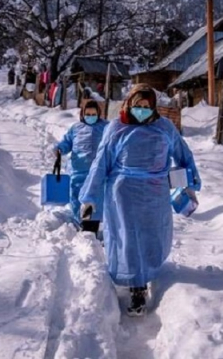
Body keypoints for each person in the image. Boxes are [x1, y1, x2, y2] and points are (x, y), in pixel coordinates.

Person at [79, 83, 201, 316]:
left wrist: (188, 184)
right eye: (138, 105)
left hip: (156, 193)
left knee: (152, 237)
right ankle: (137, 289)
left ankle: (146, 276)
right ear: (129, 104)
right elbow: (100, 163)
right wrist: (90, 197)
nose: (142, 109)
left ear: (154, 106)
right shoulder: (117, 127)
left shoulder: (164, 127)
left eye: (147, 106)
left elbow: (183, 154)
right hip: (124, 192)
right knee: (130, 239)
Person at [54, 99, 109, 233]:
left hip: (97, 172)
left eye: (93, 114)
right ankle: (78, 223)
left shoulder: (106, 127)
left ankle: (91, 227)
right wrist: (60, 149)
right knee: (77, 197)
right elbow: (67, 142)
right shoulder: (76, 128)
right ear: (82, 114)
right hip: (78, 170)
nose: (90, 117)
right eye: (87, 114)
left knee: (95, 199)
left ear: (98, 113)